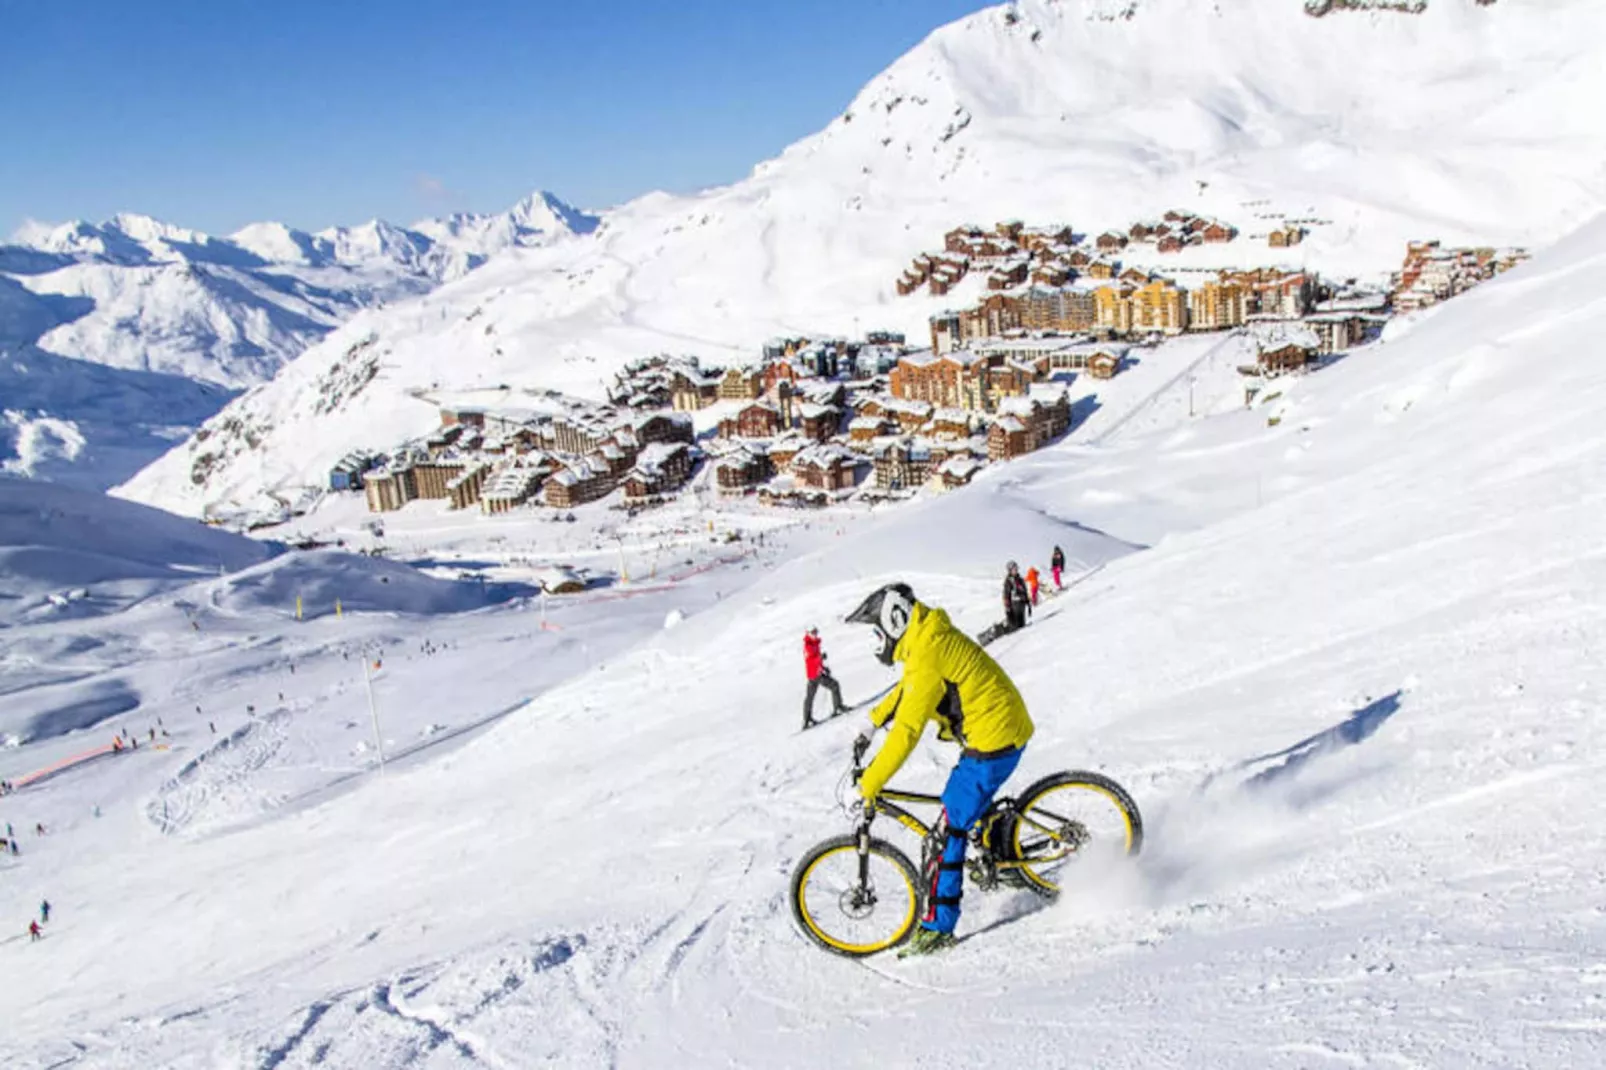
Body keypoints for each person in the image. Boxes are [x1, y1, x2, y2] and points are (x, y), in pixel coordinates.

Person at [846, 582, 1035, 956]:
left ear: (894, 621)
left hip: (994, 738)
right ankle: (1003, 855)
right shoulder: (924, 641)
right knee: (966, 807)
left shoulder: (927, 650)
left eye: (876, 631)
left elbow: (907, 732)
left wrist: (868, 784)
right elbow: (908, 690)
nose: (876, 641)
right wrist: (871, 722)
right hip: (999, 729)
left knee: (947, 831)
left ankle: (938, 927)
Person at [802, 627, 848, 729]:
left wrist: (823, 667)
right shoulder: (808, 646)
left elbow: (815, 660)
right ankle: (838, 707)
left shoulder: (813, 643)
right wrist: (821, 658)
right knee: (834, 686)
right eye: (813, 632)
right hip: (816, 674)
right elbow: (811, 660)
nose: (815, 634)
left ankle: (807, 719)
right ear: (808, 633)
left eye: (816, 631)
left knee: (810, 697)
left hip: (814, 674)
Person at [1003, 562, 1031, 632]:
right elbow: (1006, 593)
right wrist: (1007, 606)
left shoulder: (1020, 579)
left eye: (1016, 569)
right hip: (1014, 604)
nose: (1015, 570)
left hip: (1022, 603)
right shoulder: (1009, 581)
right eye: (1014, 569)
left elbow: (1024, 590)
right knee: (1016, 624)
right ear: (1010, 570)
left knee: (1022, 622)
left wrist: (1027, 601)